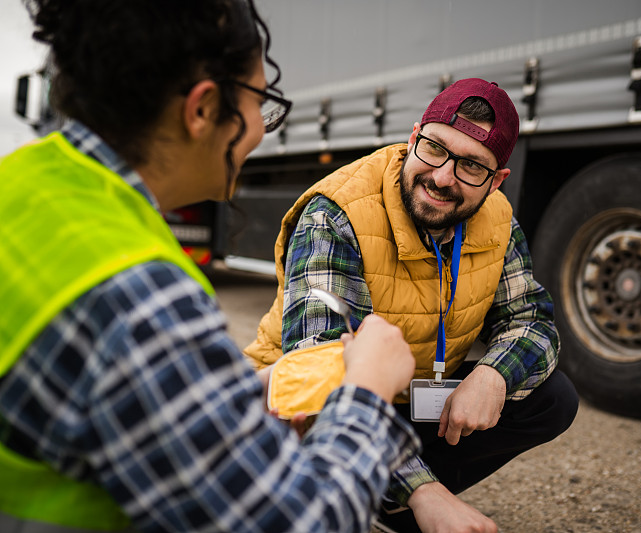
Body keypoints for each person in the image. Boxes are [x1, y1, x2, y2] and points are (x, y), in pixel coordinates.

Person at [0, 1, 421, 532]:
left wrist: (227, 396)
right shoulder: (142, 298)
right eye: (260, 103)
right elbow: (298, 522)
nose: (262, 130)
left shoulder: (20, 185)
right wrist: (368, 393)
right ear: (202, 110)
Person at [244, 78, 581, 532]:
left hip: (406, 397)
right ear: (413, 137)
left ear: (496, 180)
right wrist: (427, 492)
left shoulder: (498, 219)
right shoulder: (336, 213)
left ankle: (388, 507)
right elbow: (320, 379)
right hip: (301, 416)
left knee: (552, 398)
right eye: (435, 149)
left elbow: (532, 321)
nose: (442, 177)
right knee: (307, 418)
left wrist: (493, 375)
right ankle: (405, 500)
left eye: (471, 167)